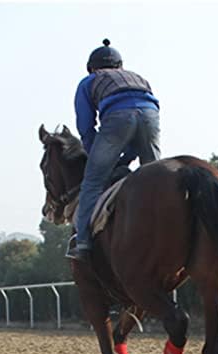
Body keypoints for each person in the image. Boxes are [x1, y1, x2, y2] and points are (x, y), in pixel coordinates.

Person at [67, 38, 161, 263]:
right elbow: (143, 117)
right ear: (120, 66)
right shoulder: (138, 78)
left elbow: (86, 127)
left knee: (92, 181)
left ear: (92, 67)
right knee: (154, 177)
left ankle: (83, 242)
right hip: (150, 115)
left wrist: (98, 159)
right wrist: (126, 159)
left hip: (118, 117)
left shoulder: (88, 82)